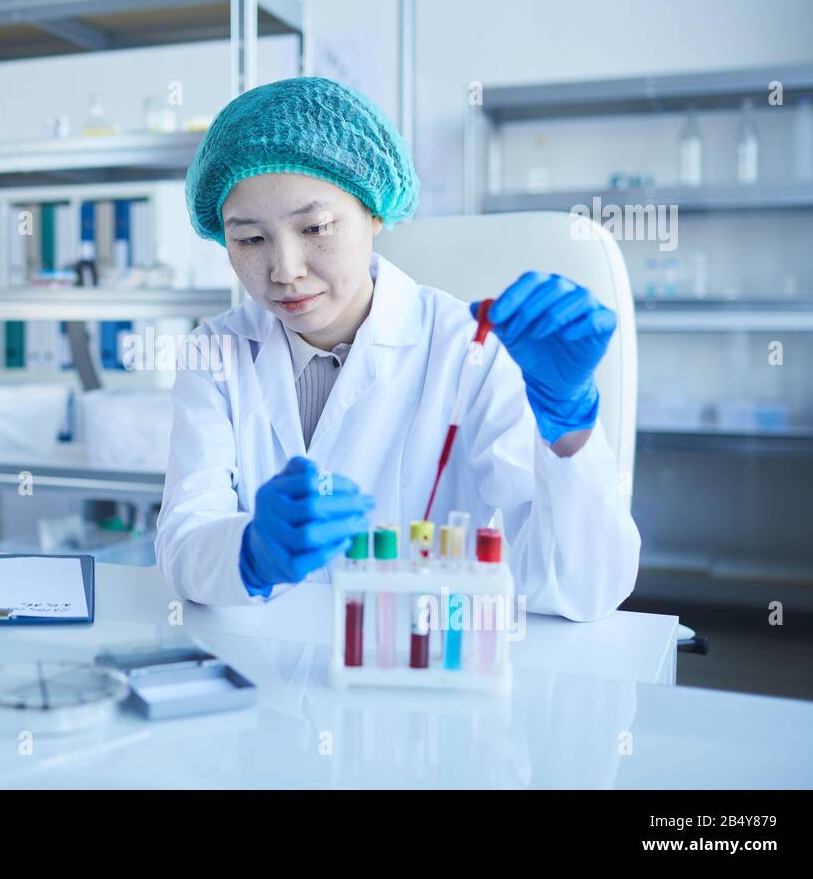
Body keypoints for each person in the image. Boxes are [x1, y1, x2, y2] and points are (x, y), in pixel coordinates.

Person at [155, 76, 639, 621]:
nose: (285, 270)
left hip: (419, 675)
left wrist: (569, 425)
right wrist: (250, 553)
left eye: (315, 227)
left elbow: (578, 589)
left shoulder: (468, 350)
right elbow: (186, 540)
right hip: (261, 681)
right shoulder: (215, 353)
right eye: (249, 239)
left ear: (375, 212)